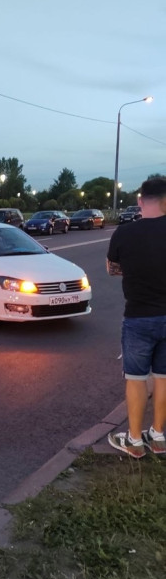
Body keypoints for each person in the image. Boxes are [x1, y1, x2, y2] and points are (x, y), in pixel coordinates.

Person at [106, 176, 166, 458]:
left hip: (139, 317)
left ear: (140, 201)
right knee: (164, 377)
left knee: (136, 378)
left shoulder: (124, 233)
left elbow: (112, 268)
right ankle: (158, 435)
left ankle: (134, 441)